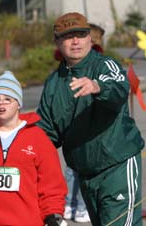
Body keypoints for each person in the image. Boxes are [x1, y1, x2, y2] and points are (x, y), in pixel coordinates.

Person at [37, 12, 145, 226]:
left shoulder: (105, 65)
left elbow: (118, 89)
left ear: (89, 38)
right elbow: (45, 133)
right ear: (57, 42)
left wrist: (98, 87)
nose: (75, 41)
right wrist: (15, 148)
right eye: (68, 36)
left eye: (80, 34)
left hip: (118, 165)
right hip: (85, 173)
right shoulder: (53, 83)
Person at [0, 71, 68, 226]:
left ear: (18, 104)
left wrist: (53, 214)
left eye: (7, 99)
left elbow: (51, 183)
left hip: (26, 221)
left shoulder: (38, 138)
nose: (1, 103)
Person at [55, 22, 105, 223]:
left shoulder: (99, 59)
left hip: (87, 120)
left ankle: (75, 205)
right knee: (77, 168)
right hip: (78, 122)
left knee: (76, 169)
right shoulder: (71, 64)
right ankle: (75, 205)